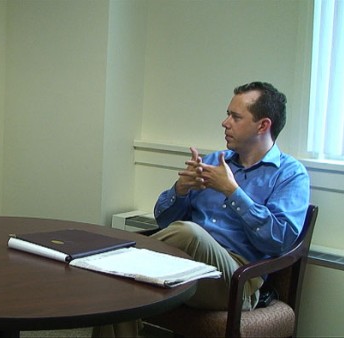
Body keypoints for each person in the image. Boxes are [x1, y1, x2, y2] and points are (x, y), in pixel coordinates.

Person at [93, 81, 310, 338]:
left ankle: (121, 260)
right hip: (186, 267)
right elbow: (164, 221)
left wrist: (233, 192)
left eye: (235, 116)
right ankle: (123, 267)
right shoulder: (211, 162)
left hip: (237, 280)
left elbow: (280, 241)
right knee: (121, 287)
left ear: (263, 125)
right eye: (228, 113)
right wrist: (180, 190)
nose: (225, 122)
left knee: (189, 234)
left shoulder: (290, 174)